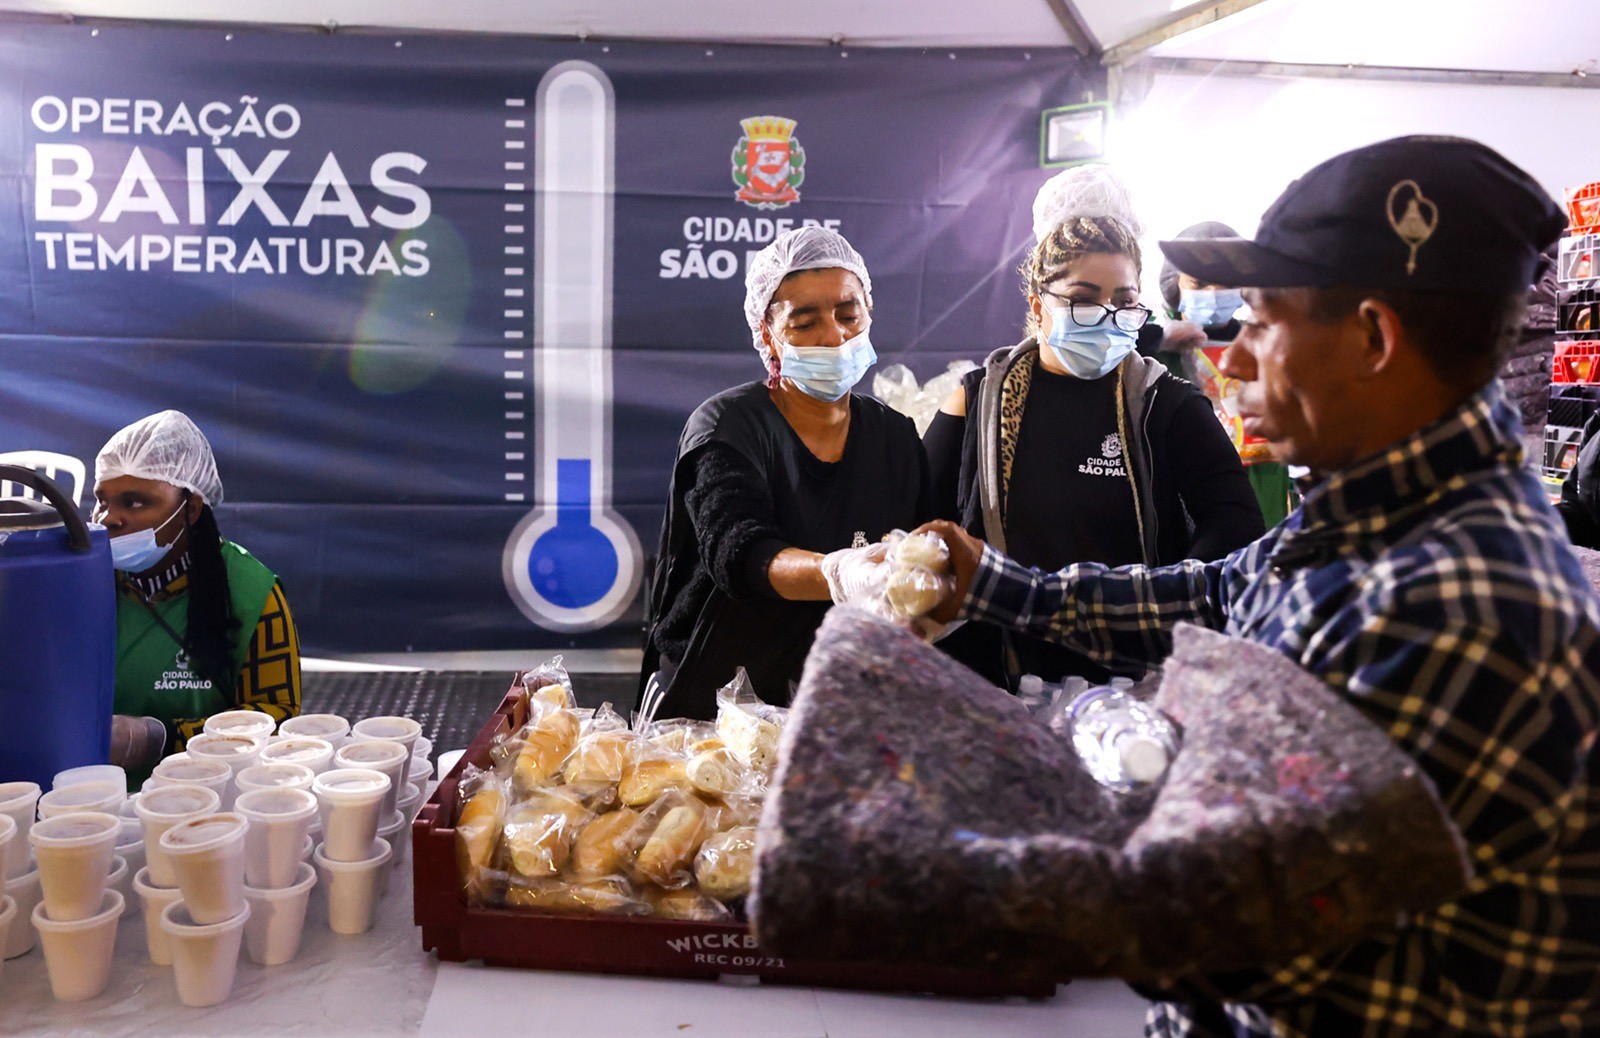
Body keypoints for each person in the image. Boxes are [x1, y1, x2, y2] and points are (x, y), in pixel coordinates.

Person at [917, 136, 1592, 1037]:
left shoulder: (1455, 604)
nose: (1229, 360)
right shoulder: (1374, 512)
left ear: (1371, 338)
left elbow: (1222, 923)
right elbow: (1213, 592)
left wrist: (921, 842)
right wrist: (996, 586)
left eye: (1263, 324)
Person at [922, 166, 1263, 691]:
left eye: (1125, 301)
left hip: (1132, 685)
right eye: (1084, 300)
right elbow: (922, 523)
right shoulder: (978, 399)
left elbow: (1236, 529)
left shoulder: (1166, 405)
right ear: (1039, 305)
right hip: (999, 680)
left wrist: (1162, 619)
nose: (1108, 315)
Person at [640, 227, 933, 719]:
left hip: (845, 697)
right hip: (721, 703)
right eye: (804, 321)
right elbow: (738, 552)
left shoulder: (895, 437)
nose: (834, 336)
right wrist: (839, 573)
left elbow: (925, 550)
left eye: (848, 314)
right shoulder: (727, 425)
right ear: (767, 335)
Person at [93, 410, 301, 783]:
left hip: (209, 798)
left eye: (134, 502)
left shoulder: (251, 593)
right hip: (92, 800)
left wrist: (160, 738)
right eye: (103, 501)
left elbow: (277, 720)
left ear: (190, 507)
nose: (109, 518)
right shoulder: (83, 585)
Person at [1158, 220, 1298, 527]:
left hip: (1266, 483)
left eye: (1226, 283)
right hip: (1190, 492)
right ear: (1174, 284)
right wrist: (1151, 338)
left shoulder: (1266, 341)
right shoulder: (1158, 351)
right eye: (1199, 284)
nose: (1214, 292)